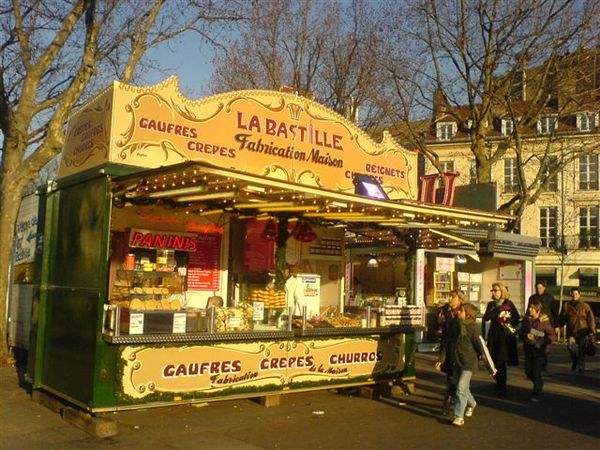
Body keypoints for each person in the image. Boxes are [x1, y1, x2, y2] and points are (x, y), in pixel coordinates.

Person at [451, 303, 496, 426]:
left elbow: (482, 347)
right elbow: (450, 343)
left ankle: (458, 416)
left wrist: (491, 368)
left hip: (469, 363)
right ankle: (472, 403)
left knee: (460, 388)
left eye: (461, 311)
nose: (458, 312)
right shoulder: (457, 325)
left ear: (468, 314)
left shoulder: (473, 328)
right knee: (462, 387)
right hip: (458, 361)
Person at [483, 282, 520, 397]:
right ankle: (498, 381)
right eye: (492, 290)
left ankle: (501, 386)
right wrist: (497, 310)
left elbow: (517, 317)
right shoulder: (491, 304)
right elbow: (486, 318)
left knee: (502, 361)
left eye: (496, 290)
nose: (493, 292)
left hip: (505, 336)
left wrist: (508, 322)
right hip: (494, 336)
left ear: (502, 291)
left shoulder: (509, 304)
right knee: (493, 361)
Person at [434, 290, 465, 414]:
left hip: (460, 349)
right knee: (450, 377)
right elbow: (436, 328)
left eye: (453, 297)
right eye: (449, 297)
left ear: (460, 299)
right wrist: (439, 324)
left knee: (458, 378)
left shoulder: (463, 311)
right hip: (447, 346)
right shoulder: (444, 310)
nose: (450, 300)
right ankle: (449, 402)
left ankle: (460, 401)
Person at [520, 302, 556, 402]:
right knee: (528, 371)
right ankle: (539, 383)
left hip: (540, 350)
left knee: (536, 372)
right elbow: (522, 332)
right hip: (528, 349)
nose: (530, 310)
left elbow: (552, 336)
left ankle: (536, 393)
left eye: (532, 308)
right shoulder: (526, 319)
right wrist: (525, 336)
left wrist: (539, 340)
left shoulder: (544, 321)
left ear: (538, 310)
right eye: (530, 308)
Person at [558, 287, 596, 374]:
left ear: (579, 295)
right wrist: (558, 326)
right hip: (571, 331)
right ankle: (575, 360)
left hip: (582, 330)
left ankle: (581, 367)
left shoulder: (585, 306)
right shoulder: (567, 305)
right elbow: (562, 318)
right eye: (573, 294)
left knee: (581, 350)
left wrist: (592, 329)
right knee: (570, 347)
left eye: (576, 294)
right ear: (571, 295)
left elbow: (591, 318)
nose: (574, 296)